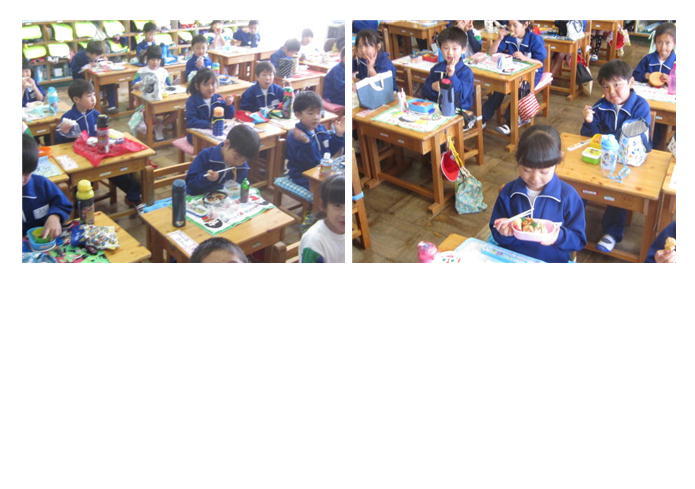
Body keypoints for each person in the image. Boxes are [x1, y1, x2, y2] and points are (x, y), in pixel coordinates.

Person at [580, 59, 652, 253]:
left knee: (620, 190)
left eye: (617, 85)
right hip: (604, 157)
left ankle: (612, 232)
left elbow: (634, 132)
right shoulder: (600, 106)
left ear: (630, 82)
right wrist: (589, 121)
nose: (611, 92)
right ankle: (575, 223)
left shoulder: (641, 106)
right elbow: (588, 137)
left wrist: (605, 138)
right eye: (606, 87)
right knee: (578, 182)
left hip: (631, 160)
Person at [490, 125, 586, 263]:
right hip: (513, 260)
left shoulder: (568, 197)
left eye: (544, 172)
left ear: (557, 161)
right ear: (518, 161)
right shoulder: (508, 193)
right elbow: (496, 232)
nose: (535, 178)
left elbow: (579, 240)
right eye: (527, 170)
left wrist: (558, 236)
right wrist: (504, 233)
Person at [55, 79, 143, 208]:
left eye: (94, 95)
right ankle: (79, 207)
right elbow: (60, 144)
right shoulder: (68, 118)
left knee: (119, 170)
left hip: (99, 155)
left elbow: (105, 134)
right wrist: (63, 132)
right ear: (76, 99)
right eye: (89, 96)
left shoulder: (96, 114)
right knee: (79, 185)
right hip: (80, 159)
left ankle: (133, 197)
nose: (93, 99)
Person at [481, 20, 546, 134]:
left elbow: (540, 63)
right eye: (509, 25)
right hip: (513, 72)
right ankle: (483, 118)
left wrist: (525, 59)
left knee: (519, 89)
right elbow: (491, 54)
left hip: (532, 73)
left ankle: (509, 122)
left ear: (525, 24)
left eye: (515, 25)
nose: (511, 28)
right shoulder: (508, 38)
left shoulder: (535, 39)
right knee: (499, 88)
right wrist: (499, 39)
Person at [285, 91, 345, 189]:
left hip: (321, 171)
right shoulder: (296, 135)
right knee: (336, 189)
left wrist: (338, 135)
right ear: (298, 115)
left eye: (318, 113)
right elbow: (308, 163)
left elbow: (329, 152)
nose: (316, 117)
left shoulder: (321, 129)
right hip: (303, 176)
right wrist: (306, 143)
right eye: (311, 113)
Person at [185, 124, 260, 196]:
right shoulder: (206, 156)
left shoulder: (243, 167)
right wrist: (207, 179)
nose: (238, 163)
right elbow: (190, 186)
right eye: (236, 157)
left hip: (225, 201)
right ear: (227, 144)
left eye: (243, 160)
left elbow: (238, 187)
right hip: (199, 198)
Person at [22, 133, 72, 238]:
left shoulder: (42, 184)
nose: (22, 179)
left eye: (27, 173)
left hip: (46, 241)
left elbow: (63, 204)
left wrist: (55, 216)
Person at [422, 26, 475, 113]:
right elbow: (424, 91)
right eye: (446, 48)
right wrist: (432, 87)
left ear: (463, 50)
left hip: (458, 113)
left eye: (454, 49)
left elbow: (461, 98)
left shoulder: (466, 72)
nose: (450, 53)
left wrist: (452, 76)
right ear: (440, 49)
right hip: (437, 110)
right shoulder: (437, 69)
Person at [300, 174, 345, 263]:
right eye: (337, 205)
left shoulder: (343, 227)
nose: (344, 214)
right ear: (323, 205)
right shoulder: (313, 243)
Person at [184, 69, 235, 144]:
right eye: (206, 84)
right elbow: (191, 122)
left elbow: (229, 116)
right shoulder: (192, 101)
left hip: (214, 132)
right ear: (197, 86)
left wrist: (228, 105)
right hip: (196, 135)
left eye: (213, 84)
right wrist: (209, 124)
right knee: (220, 145)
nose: (210, 87)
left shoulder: (218, 98)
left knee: (231, 142)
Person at [70, 40, 118, 113]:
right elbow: (75, 70)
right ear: (90, 53)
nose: (98, 57)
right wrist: (87, 66)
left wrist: (103, 62)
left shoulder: (94, 56)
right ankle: (92, 108)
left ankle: (112, 106)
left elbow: (97, 61)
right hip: (82, 82)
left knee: (110, 83)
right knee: (93, 87)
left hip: (95, 78)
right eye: (97, 55)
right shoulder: (78, 57)